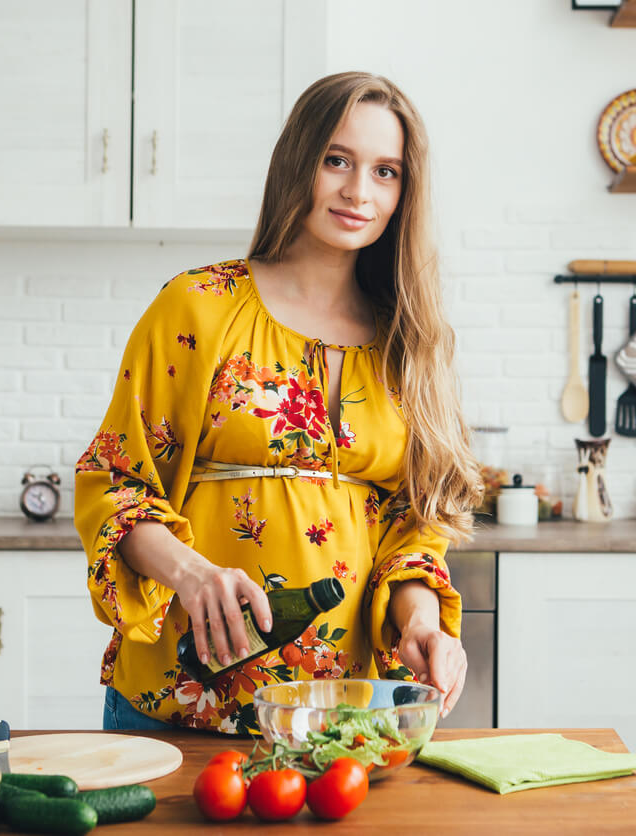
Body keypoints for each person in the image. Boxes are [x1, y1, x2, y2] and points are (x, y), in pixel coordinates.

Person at [74, 71, 483, 734]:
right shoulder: (199, 307)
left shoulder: (409, 341)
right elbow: (115, 484)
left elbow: (411, 529)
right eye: (337, 161)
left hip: (340, 710)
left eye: (386, 172)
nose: (358, 191)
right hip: (186, 696)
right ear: (299, 163)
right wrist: (192, 574)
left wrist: (422, 623)